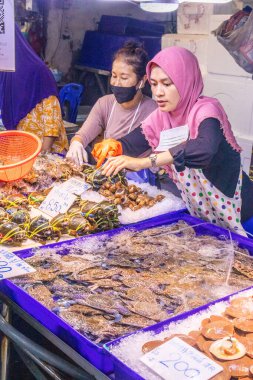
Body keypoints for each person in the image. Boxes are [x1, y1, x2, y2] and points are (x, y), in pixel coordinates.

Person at [97, 46, 253, 236]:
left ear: (185, 81)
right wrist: (115, 145)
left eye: (167, 84)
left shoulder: (207, 110)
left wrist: (146, 162)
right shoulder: (161, 118)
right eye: (154, 84)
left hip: (243, 212)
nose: (158, 93)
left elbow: (202, 148)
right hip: (204, 214)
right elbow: (136, 141)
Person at [66, 41, 157, 166]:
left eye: (124, 78)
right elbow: (83, 134)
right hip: (107, 170)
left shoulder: (154, 111)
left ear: (142, 80)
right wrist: (77, 143)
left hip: (140, 176)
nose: (116, 83)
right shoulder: (105, 104)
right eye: (114, 76)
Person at [0, 24, 68, 154]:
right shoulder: (5, 73)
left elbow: (52, 112)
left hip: (47, 151)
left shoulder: (38, 70)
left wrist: (45, 150)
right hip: (20, 149)